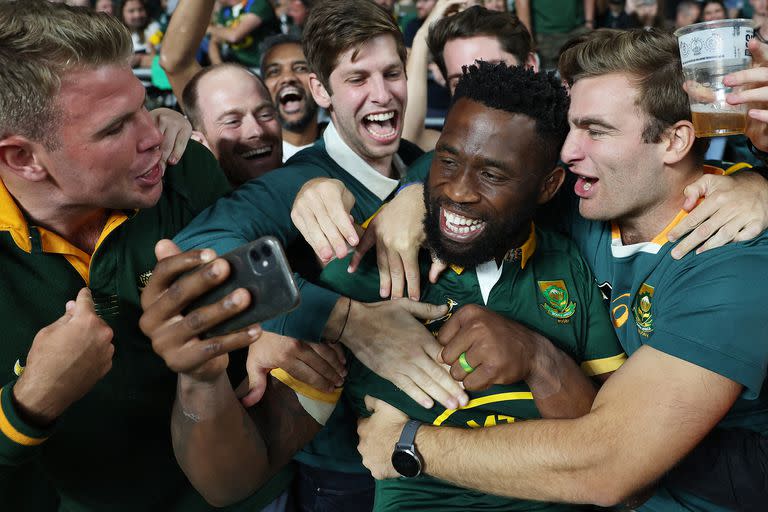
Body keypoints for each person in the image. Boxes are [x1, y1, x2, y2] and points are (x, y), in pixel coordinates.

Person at [352, 28, 768, 512]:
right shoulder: (589, 198)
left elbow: (606, 467)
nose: (568, 151)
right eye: (571, 127)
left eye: (596, 130)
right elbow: (481, 161)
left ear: (675, 141)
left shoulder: (736, 262)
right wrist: (408, 197)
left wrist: (409, 446)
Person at [141, 0, 467, 510]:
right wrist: (345, 320)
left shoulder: (424, 167)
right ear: (321, 91)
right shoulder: (294, 182)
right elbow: (195, 252)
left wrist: (416, 194)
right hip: (348, 474)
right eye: (357, 78)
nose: (381, 94)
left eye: (392, 73)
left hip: (454, 458)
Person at [0, 1, 287, 511]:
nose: (155, 134)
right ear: (22, 157)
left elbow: (267, 331)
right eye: (114, 128)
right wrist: (27, 407)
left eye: (143, 105)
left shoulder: (184, 167)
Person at [321, 61, 627, 512]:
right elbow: (242, 469)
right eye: (447, 160)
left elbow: (613, 448)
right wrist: (283, 327)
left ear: (548, 186)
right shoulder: (365, 269)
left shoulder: (569, 264)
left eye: (493, 174)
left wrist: (537, 358)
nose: (459, 191)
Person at [161, 0, 283, 184]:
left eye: (265, 115)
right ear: (199, 139)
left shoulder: (312, 174)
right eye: (232, 121)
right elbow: (176, 62)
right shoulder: (192, 203)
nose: (256, 130)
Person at [403, 4, 536, 151]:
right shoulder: (454, 150)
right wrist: (422, 39)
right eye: (460, 82)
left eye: (491, 73)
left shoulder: (562, 150)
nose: (478, 93)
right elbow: (408, 139)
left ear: (529, 66)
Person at [260, 34, 322, 160]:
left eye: (300, 68)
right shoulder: (252, 162)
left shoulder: (348, 148)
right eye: (274, 71)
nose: (288, 78)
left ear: (320, 82)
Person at [515, 0, 595, 70]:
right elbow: (522, 2)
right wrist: (528, 41)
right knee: (550, 82)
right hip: (545, 37)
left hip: (578, 30)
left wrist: (589, 22)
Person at [208, 0, 280, 69]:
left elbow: (234, 36)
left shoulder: (257, 3)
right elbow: (215, 41)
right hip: (239, 67)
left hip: (263, 65)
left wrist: (207, 28)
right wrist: (218, 67)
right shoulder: (225, 11)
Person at [119, 0, 161, 68]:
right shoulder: (118, 34)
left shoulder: (155, 29)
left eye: (140, 9)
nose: (137, 15)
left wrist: (139, 59)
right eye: (131, 11)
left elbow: (156, 58)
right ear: (122, 13)